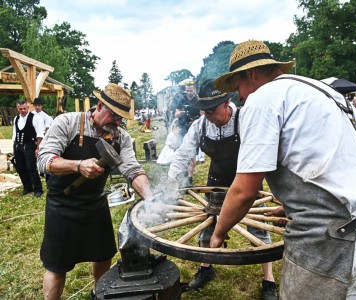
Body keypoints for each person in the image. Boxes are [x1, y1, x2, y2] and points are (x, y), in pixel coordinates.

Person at [210, 40, 356, 300]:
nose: (239, 97)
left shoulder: (261, 100)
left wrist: (218, 233)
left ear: (251, 74)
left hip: (338, 234)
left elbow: (245, 190)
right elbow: (333, 160)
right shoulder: (318, 90)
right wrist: (294, 205)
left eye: (237, 87)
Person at [37, 83, 154, 300]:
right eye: (114, 115)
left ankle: (99, 295)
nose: (117, 122)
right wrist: (78, 165)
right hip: (62, 204)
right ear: (100, 106)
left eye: (121, 118)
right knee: (57, 265)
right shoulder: (68, 122)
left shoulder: (121, 137)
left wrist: (151, 199)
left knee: (102, 256)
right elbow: (44, 160)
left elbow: (133, 170)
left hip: (95, 203)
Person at [168, 79, 277, 300]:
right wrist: (171, 182)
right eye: (203, 110)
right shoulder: (200, 126)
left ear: (227, 103)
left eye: (211, 110)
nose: (206, 114)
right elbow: (182, 155)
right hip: (215, 181)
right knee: (207, 227)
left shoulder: (245, 120)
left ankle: (269, 280)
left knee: (260, 231)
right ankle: (206, 268)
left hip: (246, 181)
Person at [12, 99, 44, 197]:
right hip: (18, 146)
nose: (22, 110)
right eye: (20, 109)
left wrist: (38, 147)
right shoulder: (16, 118)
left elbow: (39, 133)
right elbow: (14, 134)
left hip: (30, 145)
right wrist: (14, 147)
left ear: (28, 107)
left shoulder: (34, 118)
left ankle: (38, 189)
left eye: (24, 108)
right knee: (20, 167)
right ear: (18, 108)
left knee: (31, 168)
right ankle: (27, 187)